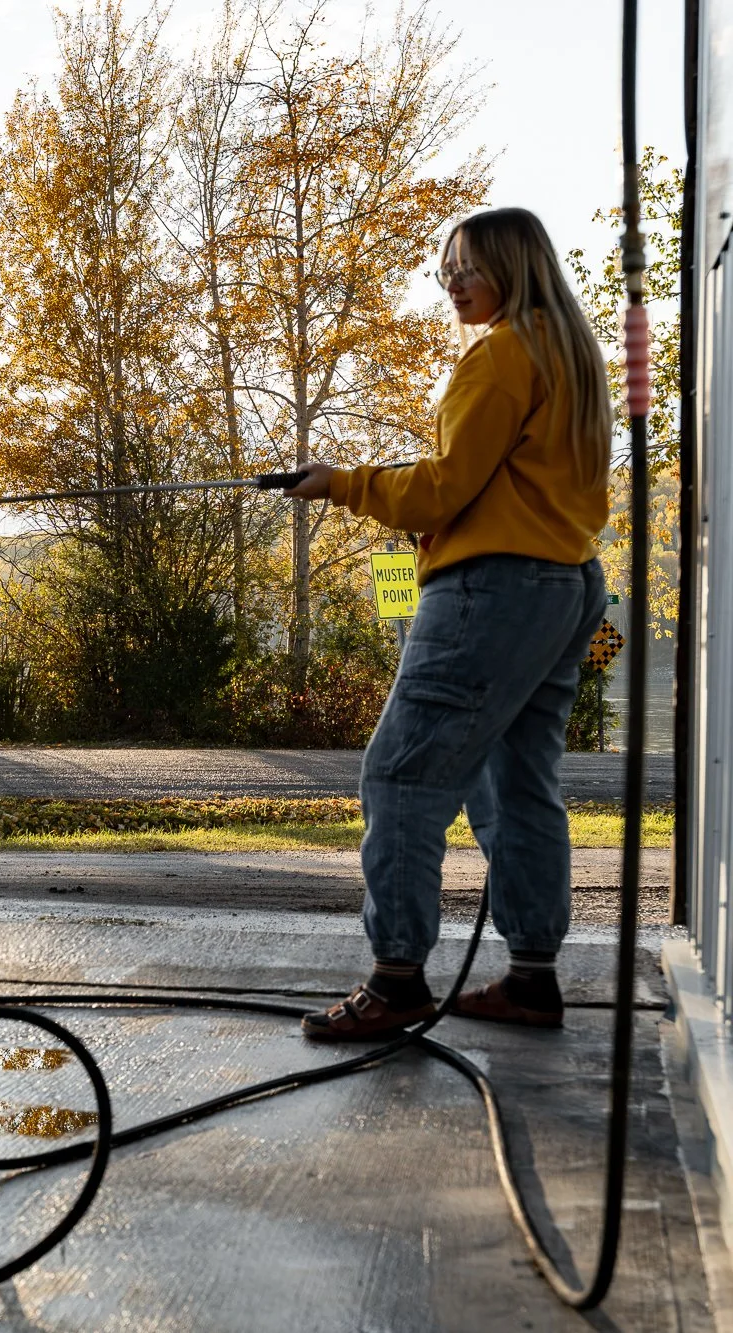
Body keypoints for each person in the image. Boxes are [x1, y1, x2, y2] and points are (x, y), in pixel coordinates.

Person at [288, 206, 613, 1040]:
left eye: (467, 265)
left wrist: (342, 482)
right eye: (445, 269)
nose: (451, 282)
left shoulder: (501, 356)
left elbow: (440, 491)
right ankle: (532, 979)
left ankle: (396, 982)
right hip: (566, 582)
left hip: (492, 588)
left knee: (402, 775)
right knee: (517, 781)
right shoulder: (570, 356)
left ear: (514, 264)